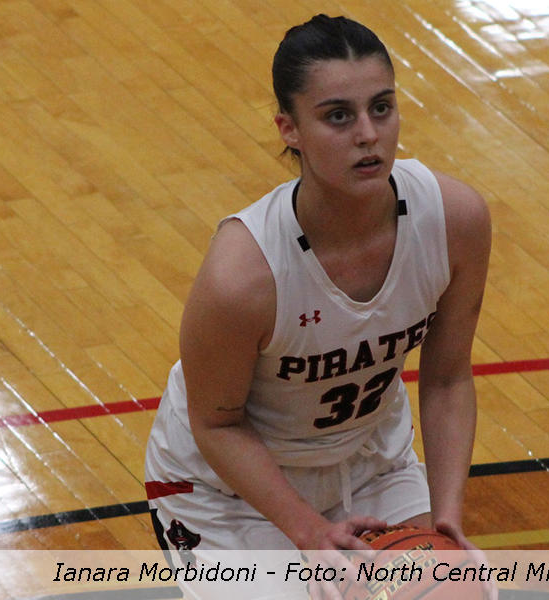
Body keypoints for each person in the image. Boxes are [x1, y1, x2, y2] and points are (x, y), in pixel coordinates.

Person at [144, 13, 492, 598]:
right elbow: (216, 423)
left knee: (455, 593)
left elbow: (447, 379)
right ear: (290, 129)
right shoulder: (243, 275)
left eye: (381, 108)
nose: (368, 134)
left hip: (370, 461)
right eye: (339, 116)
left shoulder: (455, 221)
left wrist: (446, 520)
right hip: (227, 490)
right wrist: (309, 531)